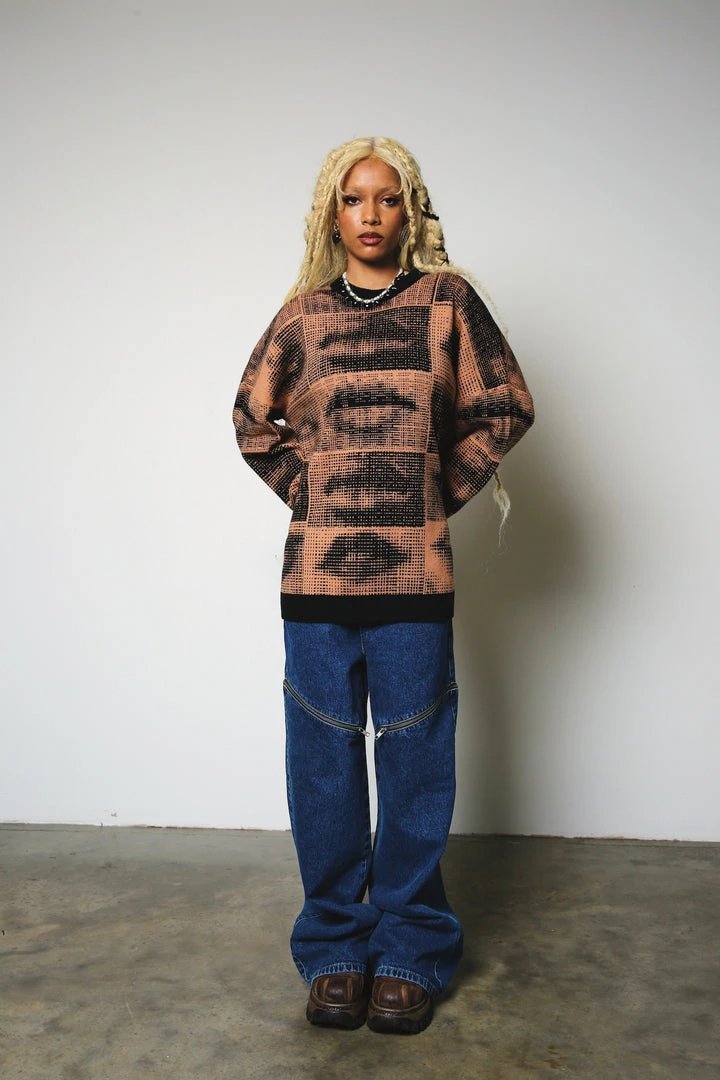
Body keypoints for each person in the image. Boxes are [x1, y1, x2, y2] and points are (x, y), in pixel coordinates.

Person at [232, 136, 534, 1035]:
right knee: (323, 768)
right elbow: (252, 418)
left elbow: (506, 404)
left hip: (415, 576)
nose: (370, 214)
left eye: (388, 197)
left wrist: (434, 491)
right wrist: (313, 490)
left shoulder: (448, 303)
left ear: (411, 210)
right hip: (316, 581)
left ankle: (411, 947)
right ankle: (333, 946)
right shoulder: (303, 317)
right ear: (332, 212)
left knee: (414, 762)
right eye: (354, 198)